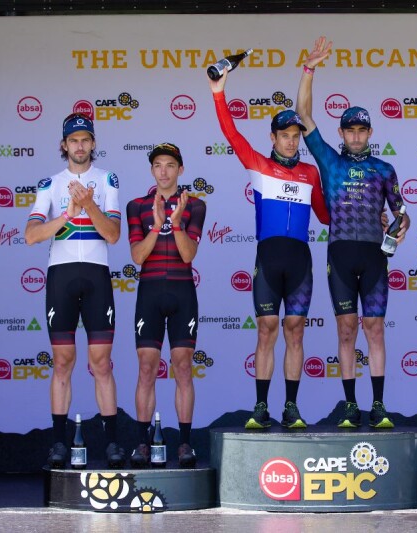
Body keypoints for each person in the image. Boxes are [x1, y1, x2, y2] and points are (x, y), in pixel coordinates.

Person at [209, 66, 330, 430]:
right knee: (266, 328)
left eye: (295, 136)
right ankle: (260, 407)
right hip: (269, 256)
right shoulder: (258, 165)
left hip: (299, 259)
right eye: (284, 136)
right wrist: (218, 92)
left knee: (295, 329)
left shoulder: (310, 173)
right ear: (273, 137)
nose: (291, 142)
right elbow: (231, 133)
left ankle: (291, 407)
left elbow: (326, 216)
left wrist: (369, 215)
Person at [297, 37, 409, 429]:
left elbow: (401, 212)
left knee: (374, 329)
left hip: (375, 255)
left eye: (362, 130)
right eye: (350, 130)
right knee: (346, 330)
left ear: (370, 131)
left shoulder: (384, 169)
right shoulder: (329, 161)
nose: (356, 136)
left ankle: (378, 405)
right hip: (341, 253)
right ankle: (350, 406)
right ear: (341, 133)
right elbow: (303, 114)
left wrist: (399, 228)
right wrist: (309, 69)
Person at [25, 113, 124, 468]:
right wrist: (68, 213)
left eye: (85, 140)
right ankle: (58, 442)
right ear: (64, 145)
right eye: (73, 141)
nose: (79, 146)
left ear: (93, 143)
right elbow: (31, 235)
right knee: (63, 362)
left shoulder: (107, 179)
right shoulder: (50, 184)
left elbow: (113, 234)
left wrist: (89, 205)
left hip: (96, 276)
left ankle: (112, 443)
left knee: (101, 363)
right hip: (61, 277)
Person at [126, 143, 206, 468]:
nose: (163, 171)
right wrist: (158, 225)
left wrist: (175, 223)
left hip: (182, 291)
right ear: (151, 170)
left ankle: (185, 443)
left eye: (170, 165)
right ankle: (142, 444)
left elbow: (188, 254)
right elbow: (137, 256)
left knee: (183, 366)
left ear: (180, 170)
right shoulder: (137, 206)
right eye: (158, 165)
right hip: (150, 292)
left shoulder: (195, 205)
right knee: (147, 368)